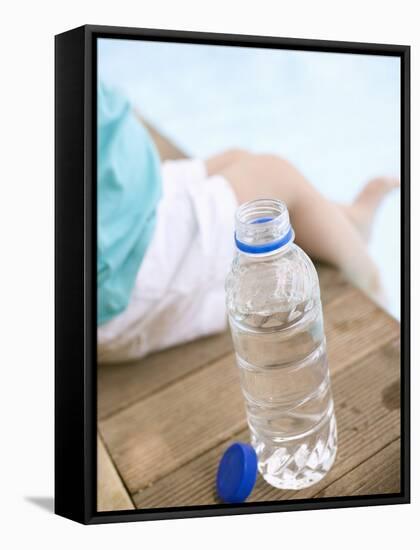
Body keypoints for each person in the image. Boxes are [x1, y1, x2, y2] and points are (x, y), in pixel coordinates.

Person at [97, 81, 398, 363]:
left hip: (133, 202)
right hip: (127, 273)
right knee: (276, 177)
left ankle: (351, 224)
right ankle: (378, 295)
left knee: (237, 158)